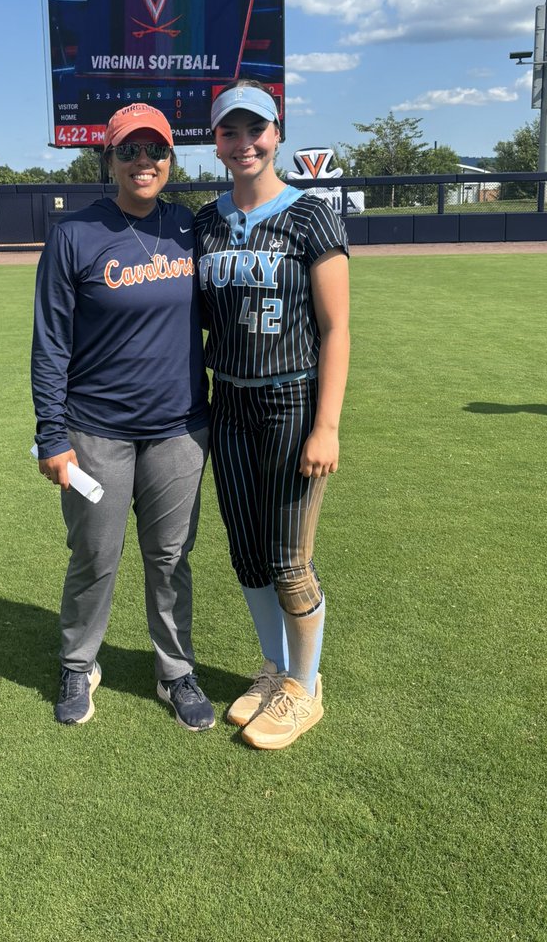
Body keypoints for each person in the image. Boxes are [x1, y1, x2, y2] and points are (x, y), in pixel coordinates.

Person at [31, 102, 214, 731]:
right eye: (129, 150)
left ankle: (176, 670)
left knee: (170, 557)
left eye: (156, 149)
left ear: (171, 158)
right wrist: (51, 435)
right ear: (106, 158)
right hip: (95, 430)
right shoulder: (74, 235)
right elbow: (50, 342)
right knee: (94, 555)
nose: (144, 161)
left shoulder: (190, 228)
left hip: (180, 429)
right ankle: (79, 662)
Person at [194, 80, 350, 750]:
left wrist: (327, 424)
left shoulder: (310, 216)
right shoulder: (204, 221)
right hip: (226, 400)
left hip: (291, 400)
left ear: (277, 133)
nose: (244, 143)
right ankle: (278, 668)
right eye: (230, 131)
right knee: (248, 555)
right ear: (217, 141)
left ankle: (305, 688)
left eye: (255, 130)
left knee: (290, 559)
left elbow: (337, 328)